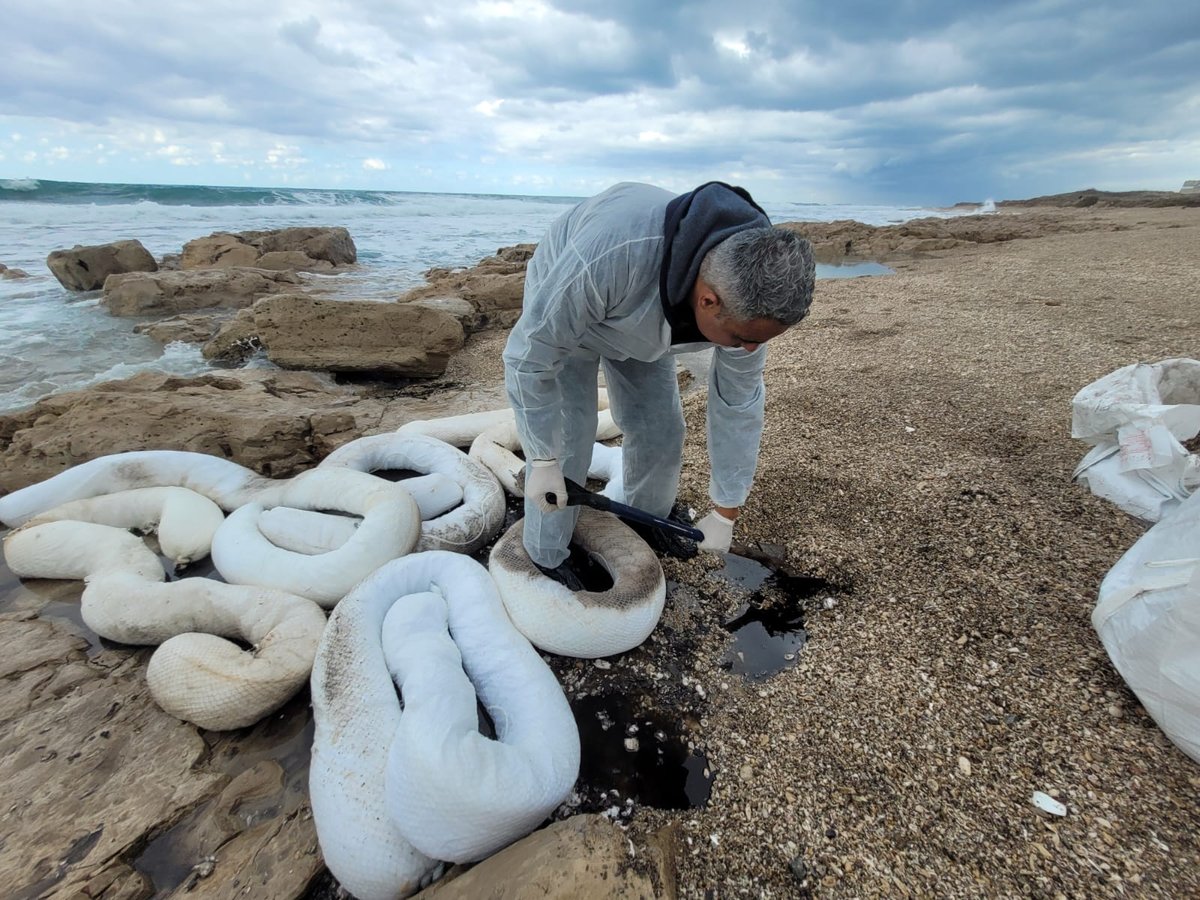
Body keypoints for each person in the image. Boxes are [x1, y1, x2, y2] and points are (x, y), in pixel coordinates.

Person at [503, 181, 815, 589]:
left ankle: (645, 520)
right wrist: (542, 459)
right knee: (570, 436)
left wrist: (726, 511)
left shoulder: (750, 294)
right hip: (575, 311)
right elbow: (530, 356)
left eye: (761, 340)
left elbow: (738, 404)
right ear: (708, 301)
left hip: (646, 323)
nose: (751, 349)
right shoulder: (613, 253)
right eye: (743, 338)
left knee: (661, 428)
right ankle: (547, 555)